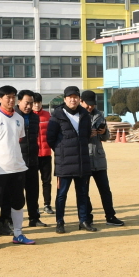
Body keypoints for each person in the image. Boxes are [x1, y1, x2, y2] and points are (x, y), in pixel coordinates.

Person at [0, 85, 36, 248]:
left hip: (18, 167)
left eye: (13, 97)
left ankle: (18, 233)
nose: (11, 100)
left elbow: (18, 140)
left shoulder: (19, 118)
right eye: (7, 97)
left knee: (18, 202)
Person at [47, 86, 95, 232]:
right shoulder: (57, 116)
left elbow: (86, 136)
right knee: (62, 194)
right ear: (65, 99)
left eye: (75, 97)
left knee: (82, 193)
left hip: (82, 161)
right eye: (70, 97)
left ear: (79, 99)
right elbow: (50, 138)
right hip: (64, 162)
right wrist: (62, 151)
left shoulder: (85, 115)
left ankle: (83, 221)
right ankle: (60, 222)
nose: (73, 99)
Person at [82, 91, 124, 226]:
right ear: (81, 102)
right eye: (88, 105)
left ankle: (110, 216)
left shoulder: (99, 115)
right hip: (84, 158)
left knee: (105, 189)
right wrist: (87, 134)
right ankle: (87, 217)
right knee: (84, 191)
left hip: (99, 158)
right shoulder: (77, 115)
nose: (90, 107)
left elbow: (106, 137)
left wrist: (104, 132)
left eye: (92, 105)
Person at [18, 91, 47, 228]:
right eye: (26, 103)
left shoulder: (35, 118)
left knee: (33, 192)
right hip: (17, 162)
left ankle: (34, 218)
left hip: (33, 160)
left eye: (31, 103)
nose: (29, 106)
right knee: (17, 194)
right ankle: (13, 221)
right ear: (19, 102)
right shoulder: (14, 117)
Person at [35, 94, 54, 216]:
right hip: (33, 155)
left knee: (46, 181)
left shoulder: (48, 116)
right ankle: (34, 206)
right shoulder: (28, 117)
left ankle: (47, 204)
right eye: (34, 103)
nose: (37, 105)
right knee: (33, 183)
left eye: (39, 102)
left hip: (46, 154)